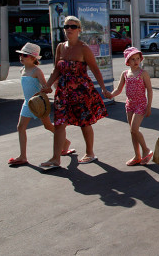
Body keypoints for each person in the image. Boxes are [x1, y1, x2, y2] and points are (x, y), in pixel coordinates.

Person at [40, 16, 111, 169]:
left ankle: (90, 153)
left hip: (81, 91)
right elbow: (56, 69)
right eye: (66, 27)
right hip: (63, 92)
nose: (69, 29)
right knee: (59, 124)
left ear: (79, 29)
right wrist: (48, 85)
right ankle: (55, 158)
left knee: (84, 122)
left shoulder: (84, 48)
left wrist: (104, 88)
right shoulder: (60, 47)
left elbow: (95, 69)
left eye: (73, 26)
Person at [8, 43, 73, 166]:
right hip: (27, 103)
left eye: (25, 55)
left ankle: (65, 142)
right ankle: (22, 156)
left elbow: (47, 88)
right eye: (21, 55)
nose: (21, 57)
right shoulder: (22, 70)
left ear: (33, 58)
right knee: (20, 127)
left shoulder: (37, 71)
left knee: (48, 126)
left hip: (39, 104)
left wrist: (45, 89)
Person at [110, 47, 154, 166]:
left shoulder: (143, 73)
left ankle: (146, 150)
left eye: (137, 59)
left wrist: (149, 106)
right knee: (132, 131)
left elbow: (149, 90)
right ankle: (137, 156)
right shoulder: (125, 74)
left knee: (134, 129)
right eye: (133, 59)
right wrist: (110, 95)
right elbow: (118, 89)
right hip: (130, 104)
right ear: (127, 61)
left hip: (141, 104)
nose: (136, 61)